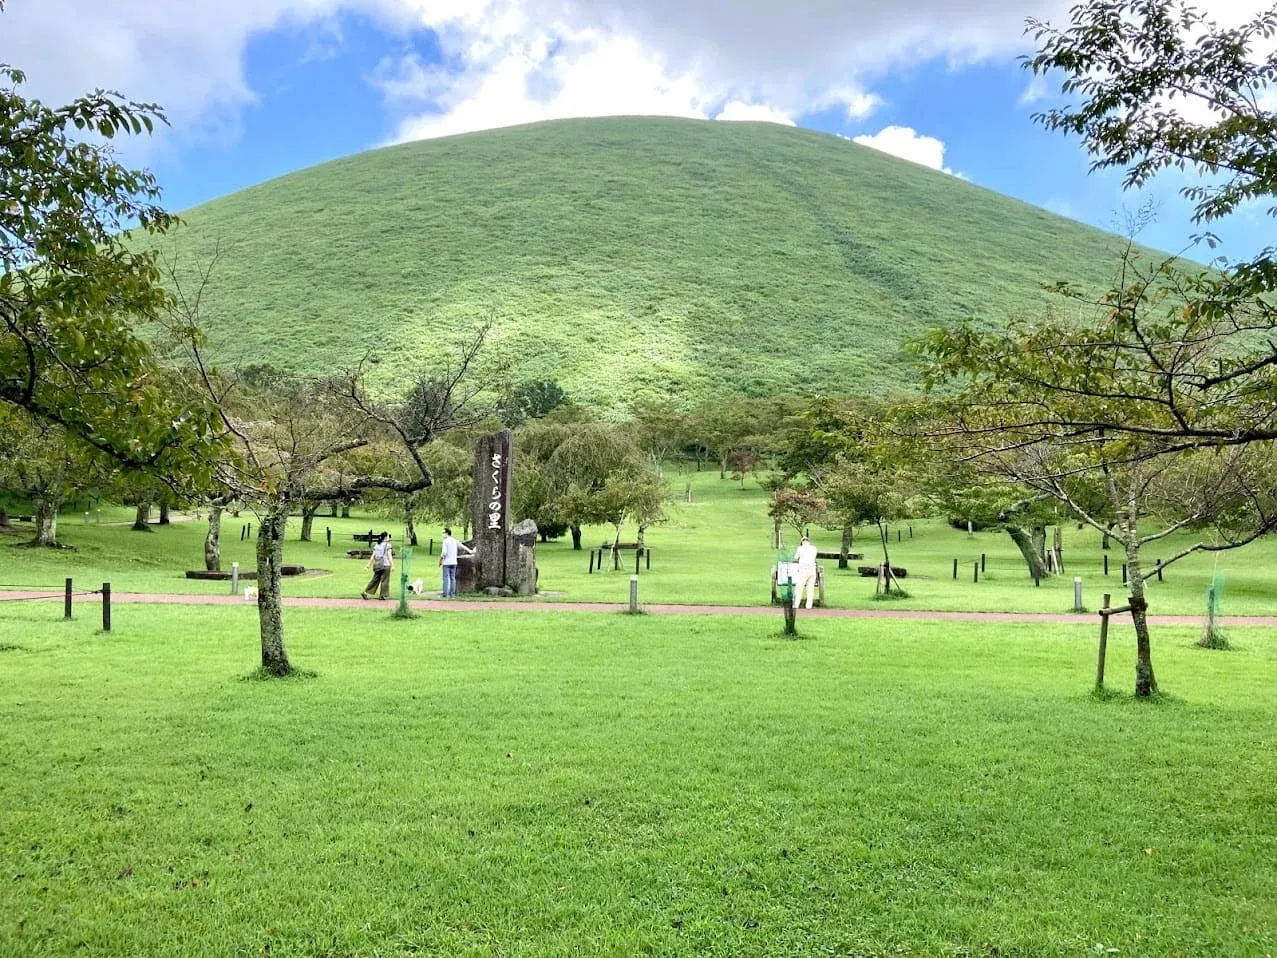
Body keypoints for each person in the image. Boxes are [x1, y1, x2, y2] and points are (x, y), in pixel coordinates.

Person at [439, 527, 474, 598]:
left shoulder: (445, 541)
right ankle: (452, 594)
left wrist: (441, 559)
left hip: (447, 562)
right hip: (454, 562)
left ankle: (445, 594)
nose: (442, 534)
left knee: (445, 578)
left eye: (443, 533)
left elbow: (444, 552)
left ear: (446, 533)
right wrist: (470, 551)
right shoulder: (454, 540)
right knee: (453, 578)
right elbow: (462, 546)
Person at [361, 531, 393, 600]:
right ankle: (382, 595)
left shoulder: (377, 545)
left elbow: (373, 556)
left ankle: (365, 592)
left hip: (378, 565)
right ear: (385, 537)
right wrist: (392, 565)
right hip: (385, 565)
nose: (389, 537)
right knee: (385, 580)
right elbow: (389, 556)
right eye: (388, 536)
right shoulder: (388, 545)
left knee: (374, 580)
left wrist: (368, 565)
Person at [793, 535, 819, 609]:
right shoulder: (814, 548)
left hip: (803, 570)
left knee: (799, 587)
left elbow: (795, 557)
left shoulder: (800, 548)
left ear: (802, 542)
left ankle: (796, 604)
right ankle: (809, 605)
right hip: (812, 570)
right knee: (810, 587)